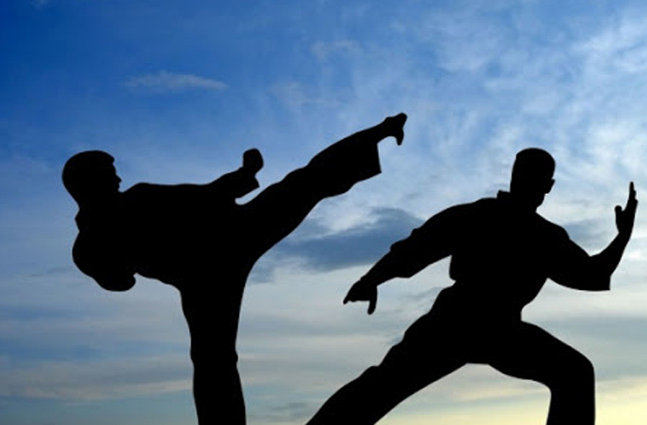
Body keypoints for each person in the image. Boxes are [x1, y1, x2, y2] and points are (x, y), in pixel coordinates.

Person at [62, 113, 407, 425]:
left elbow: (202, 197)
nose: (118, 178)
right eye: (109, 174)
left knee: (303, 184)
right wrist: (244, 176)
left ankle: (380, 131)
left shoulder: (126, 208)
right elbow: (120, 280)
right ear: (87, 184)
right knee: (213, 359)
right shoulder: (93, 241)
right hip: (208, 273)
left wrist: (245, 175)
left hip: (234, 235)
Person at [307, 148, 638, 425]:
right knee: (381, 386)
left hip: (499, 328)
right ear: (528, 180)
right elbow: (417, 247)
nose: (532, 183)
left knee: (575, 372)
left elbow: (591, 274)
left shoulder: (543, 235)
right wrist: (372, 279)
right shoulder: (485, 217)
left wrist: (622, 237)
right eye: (528, 175)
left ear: (547, 185)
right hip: (455, 322)